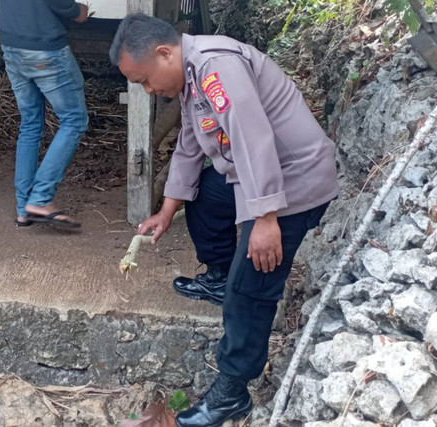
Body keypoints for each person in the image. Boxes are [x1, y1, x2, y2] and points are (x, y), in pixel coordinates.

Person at [110, 13, 339, 427]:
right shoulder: (192, 74)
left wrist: (265, 218)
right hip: (260, 176)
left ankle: (232, 391)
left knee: (251, 283)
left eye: (144, 79)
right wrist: (166, 210)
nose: (148, 90)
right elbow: (190, 146)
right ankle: (218, 274)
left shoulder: (217, 68)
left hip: (292, 183)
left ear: (165, 53)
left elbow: (253, 139)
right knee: (202, 194)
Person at [0, 0, 90, 228]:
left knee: (30, 123)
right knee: (74, 120)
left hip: (12, 45)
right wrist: (78, 11)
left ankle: (23, 208)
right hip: (44, 49)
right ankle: (40, 198)